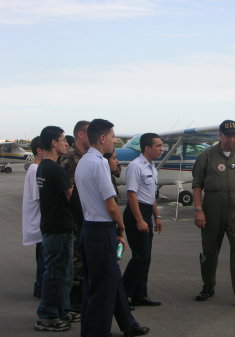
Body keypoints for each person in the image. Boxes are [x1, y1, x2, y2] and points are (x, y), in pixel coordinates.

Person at [75, 119, 149, 337]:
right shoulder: (99, 163)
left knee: (107, 281)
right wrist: (121, 227)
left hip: (89, 229)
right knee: (102, 291)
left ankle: (128, 324)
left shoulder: (83, 162)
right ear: (102, 138)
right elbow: (111, 203)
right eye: (112, 136)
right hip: (101, 231)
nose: (114, 140)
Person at [192, 120, 235, 311]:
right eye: (228, 135)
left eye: (234, 135)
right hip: (212, 211)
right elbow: (197, 184)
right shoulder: (206, 156)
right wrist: (199, 210)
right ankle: (208, 286)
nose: (231, 139)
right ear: (220, 135)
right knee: (209, 251)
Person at [35, 126, 79, 332]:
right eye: (63, 140)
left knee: (65, 272)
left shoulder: (43, 167)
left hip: (54, 227)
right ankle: (47, 316)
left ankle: (62, 308)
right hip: (58, 228)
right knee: (55, 274)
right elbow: (71, 197)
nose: (66, 143)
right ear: (53, 142)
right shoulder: (55, 169)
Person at [122, 133, 163, 307]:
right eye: (158, 146)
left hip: (147, 212)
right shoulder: (135, 166)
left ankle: (140, 294)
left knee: (146, 257)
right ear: (147, 148)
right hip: (135, 213)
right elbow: (131, 194)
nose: (162, 149)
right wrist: (139, 220)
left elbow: (152, 195)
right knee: (141, 257)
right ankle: (122, 294)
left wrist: (157, 216)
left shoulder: (152, 167)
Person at [60, 120, 90, 310]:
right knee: (76, 263)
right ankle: (74, 302)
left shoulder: (87, 157)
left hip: (85, 218)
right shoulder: (70, 158)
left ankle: (81, 299)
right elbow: (70, 192)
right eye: (90, 133)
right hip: (75, 220)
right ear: (80, 135)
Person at [22, 136, 44, 299]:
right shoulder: (36, 170)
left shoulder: (33, 169)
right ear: (39, 150)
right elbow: (40, 197)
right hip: (40, 223)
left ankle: (40, 287)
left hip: (38, 223)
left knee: (42, 259)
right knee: (44, 261)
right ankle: (41, 289)